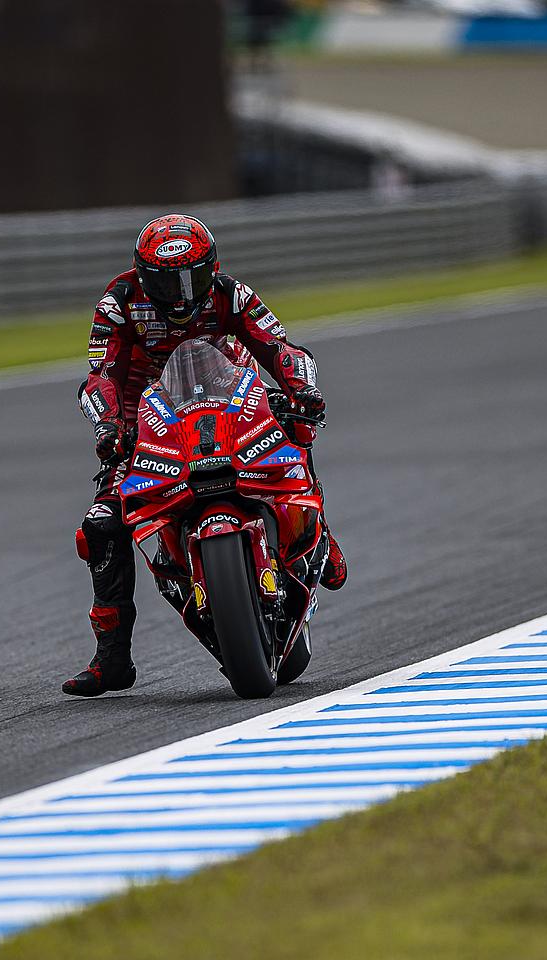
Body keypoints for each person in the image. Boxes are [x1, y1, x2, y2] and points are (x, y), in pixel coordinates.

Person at [64, 213, 345, 697]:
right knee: (101, 525)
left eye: (190, 279)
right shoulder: (120, 301)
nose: (179, 295)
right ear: (143, 276)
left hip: (230, 396)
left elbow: (278, 347)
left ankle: (322, 532)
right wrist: (109, 426)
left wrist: (303, 390)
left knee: (296, 426)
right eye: (165, 282)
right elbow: (101, 375)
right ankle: (112, 658)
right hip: (147, 420)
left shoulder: (231, 293)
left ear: (211, 269)